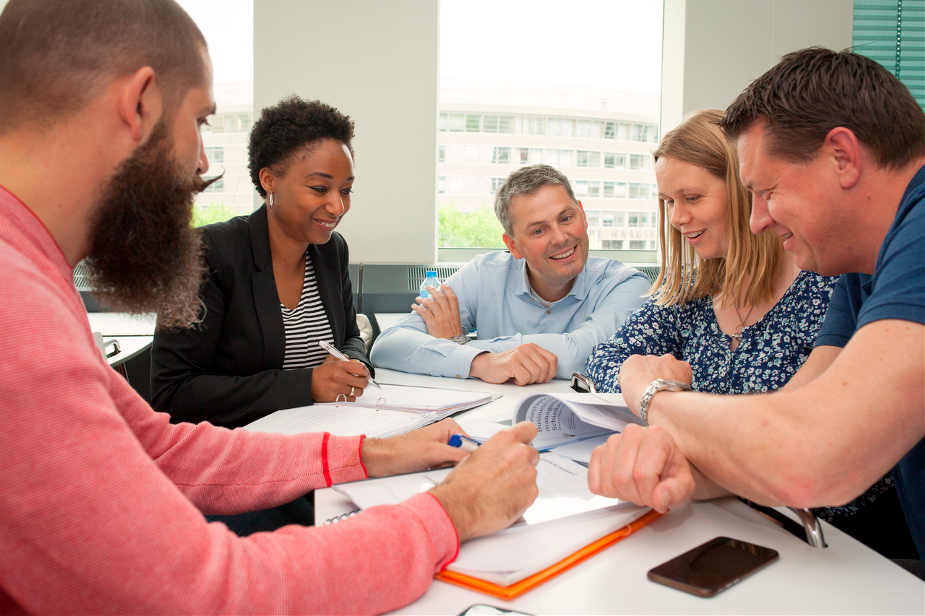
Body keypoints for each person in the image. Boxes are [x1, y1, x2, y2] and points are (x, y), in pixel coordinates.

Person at [0, 1, 541, 613]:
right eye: (201, 122)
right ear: (140, 104)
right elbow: (207, 594)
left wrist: (378, 451)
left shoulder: (31, 278)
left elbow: (162, 449)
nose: (202, 162)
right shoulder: (15, 311)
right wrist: (454, 510)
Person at [586, 48, 925, 570]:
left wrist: (651, 393)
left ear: (843, 156)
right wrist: (683, 473)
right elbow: (796, 412)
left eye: (765, 192)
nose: (756, 220)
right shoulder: (861, 264)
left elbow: (810, 456)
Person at [151, 96, 372, 430]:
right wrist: (307, 384)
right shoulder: (206, 253)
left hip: (322, 436)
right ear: (269, 180)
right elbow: (172, 394)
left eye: (346, 191)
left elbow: (350, 336)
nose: (337, 207)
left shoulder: (331, 250)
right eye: (319, 188)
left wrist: (353, 361)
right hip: (241, 452)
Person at [371, 164, 651, 384]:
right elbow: (387, 346)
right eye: (539, 230)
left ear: (583, 215)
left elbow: (584, 353)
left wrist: (458, 345)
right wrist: (481, 362)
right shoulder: (483, 274)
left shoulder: (627, 285)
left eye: (566, 218)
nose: (561, 237)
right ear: (513, 245)